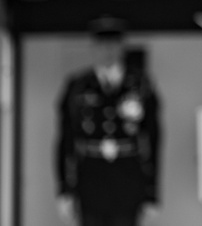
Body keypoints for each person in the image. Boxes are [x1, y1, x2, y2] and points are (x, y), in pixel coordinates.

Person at [55, 16, 160, 226]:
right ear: (93, 48)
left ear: (121, 47)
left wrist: (152, 191)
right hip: (90, 181)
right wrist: (64, 189)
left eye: (113, 44)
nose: (108, 51)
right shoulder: (78, 86)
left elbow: (154, 138)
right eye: (102, 45)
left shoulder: (139, 85)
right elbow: (65, 140)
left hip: (128, 181)